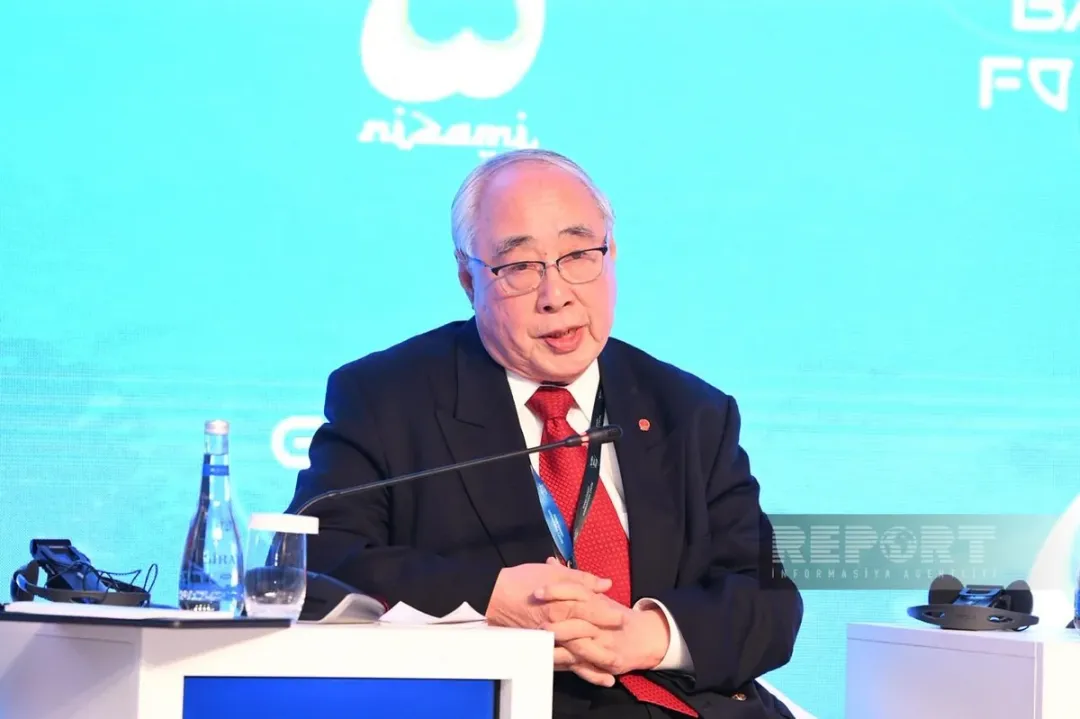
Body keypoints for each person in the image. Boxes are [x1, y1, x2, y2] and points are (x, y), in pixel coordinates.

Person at [286, 149, 803, 718]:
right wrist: (488, 598)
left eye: (579, 255)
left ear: (611, 255)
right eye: (519, 266)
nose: (556, 295)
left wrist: (647, 634)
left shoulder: (691, 410)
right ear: (468, 279)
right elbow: (315, 560)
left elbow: (768, 599)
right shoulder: (387, 398)